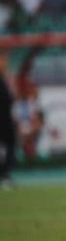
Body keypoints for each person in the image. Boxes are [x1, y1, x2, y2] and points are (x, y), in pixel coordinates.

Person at [0, 51, 16, 189]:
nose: (5, 63)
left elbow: (10, 100)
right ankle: (4, 175)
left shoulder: (4, 80)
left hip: (5, 120)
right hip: (3, 121)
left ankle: (5, 175)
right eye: (3, 60)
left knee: (10, 145)